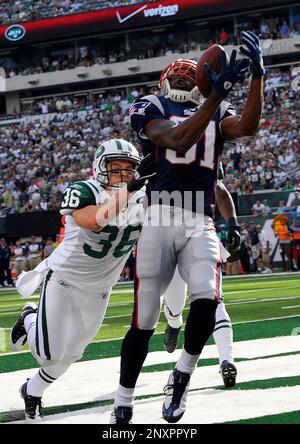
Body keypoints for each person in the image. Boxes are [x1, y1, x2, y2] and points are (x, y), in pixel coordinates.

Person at [111, 30, 264, 424]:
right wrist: (215, 96)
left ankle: (182, 376)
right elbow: (176, 140)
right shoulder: (149, 106)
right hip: (159, 217)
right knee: (143, 321)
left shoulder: (216, 107)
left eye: (188, 75)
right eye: (176, 76)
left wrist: (259, 77)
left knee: (208, 300)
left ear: (199, 80)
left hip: (200, 217)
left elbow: (247, 127)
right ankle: (123, 400)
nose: (181, 79)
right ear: (164, 82)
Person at [10, 139, 156, 421]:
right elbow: (93, 221)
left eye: (130, 170)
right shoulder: (84, 190)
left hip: (101, 288)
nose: (124, 174)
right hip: (64, 280)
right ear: (101, 167)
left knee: (71, 354)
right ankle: (29, 316)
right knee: (49, 354)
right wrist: (132, 189)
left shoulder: (143, 196)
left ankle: (32, 391)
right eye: (117, 168)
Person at [163, 170, 241, 389]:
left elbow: (220, 189)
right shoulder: (165, 154)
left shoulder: (201, 151)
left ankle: (227, 359)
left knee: (214, 301)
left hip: (198, 236)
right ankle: (174, 323)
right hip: (171, 240)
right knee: (179, 306)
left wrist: (233, 224)